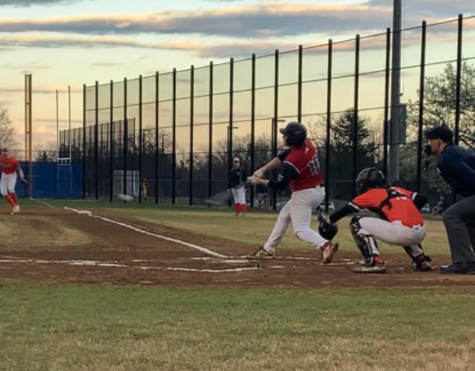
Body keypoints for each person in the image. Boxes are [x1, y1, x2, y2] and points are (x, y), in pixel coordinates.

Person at [246, 121, 339, 263]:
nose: (283, 137)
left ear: (292, 139)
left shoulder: (295, 160)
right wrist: (263, 169)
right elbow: (283, 156)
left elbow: (279, 185)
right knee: (284, 214)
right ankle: (268, 249)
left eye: (286, 135)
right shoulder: (307, 144)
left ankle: (326, 245)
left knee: (301, 230)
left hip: (304, 194)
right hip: (317, 190)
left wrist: (258, 181)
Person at [321, 167, 432, 273]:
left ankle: (374, 261)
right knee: (401, 224)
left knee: (356, 222)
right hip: (421, 232)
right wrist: (407, 209)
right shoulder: (397, 189)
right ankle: (421, 260)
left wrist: (328, 221)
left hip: (403, 232)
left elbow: (347, 209)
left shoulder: (373, 193)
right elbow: (422, 199)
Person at [425, 125, 475, 274]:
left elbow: (471, 177)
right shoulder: (456, 151)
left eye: (431, 140)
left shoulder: (449, 156)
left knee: (451, 215)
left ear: (438, 141)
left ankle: (464, 261)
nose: (429, 144)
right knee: (468, 219)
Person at [0, 148, 27, 214]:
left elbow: (19, 170)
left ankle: (16, 205)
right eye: (3, 151)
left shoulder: (14, 161)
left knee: (11, 189)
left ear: (9, 152)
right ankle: (14, 206)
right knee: (3, 192)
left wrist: (22, 178)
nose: (4, 152)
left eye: (6, 151)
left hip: (12, 175)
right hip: (4, 175)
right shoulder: (0, 158)